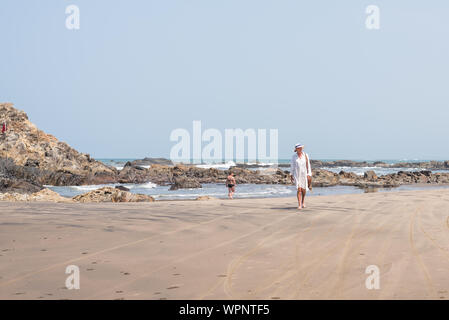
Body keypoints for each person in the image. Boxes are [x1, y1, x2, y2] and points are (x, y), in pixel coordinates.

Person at [290, 143, 312, 210]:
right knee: (299, 189)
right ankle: (299, 204)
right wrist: (291, 174)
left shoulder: (305, 155)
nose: (300, 149)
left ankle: (303, 201)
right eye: (299, 148)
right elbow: (292, 166)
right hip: (297, 174)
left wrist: (309, 174)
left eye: (301, 148)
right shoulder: (294, 157)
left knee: (303, 190)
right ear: (296, 149)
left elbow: (308, 165)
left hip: (304, 174)